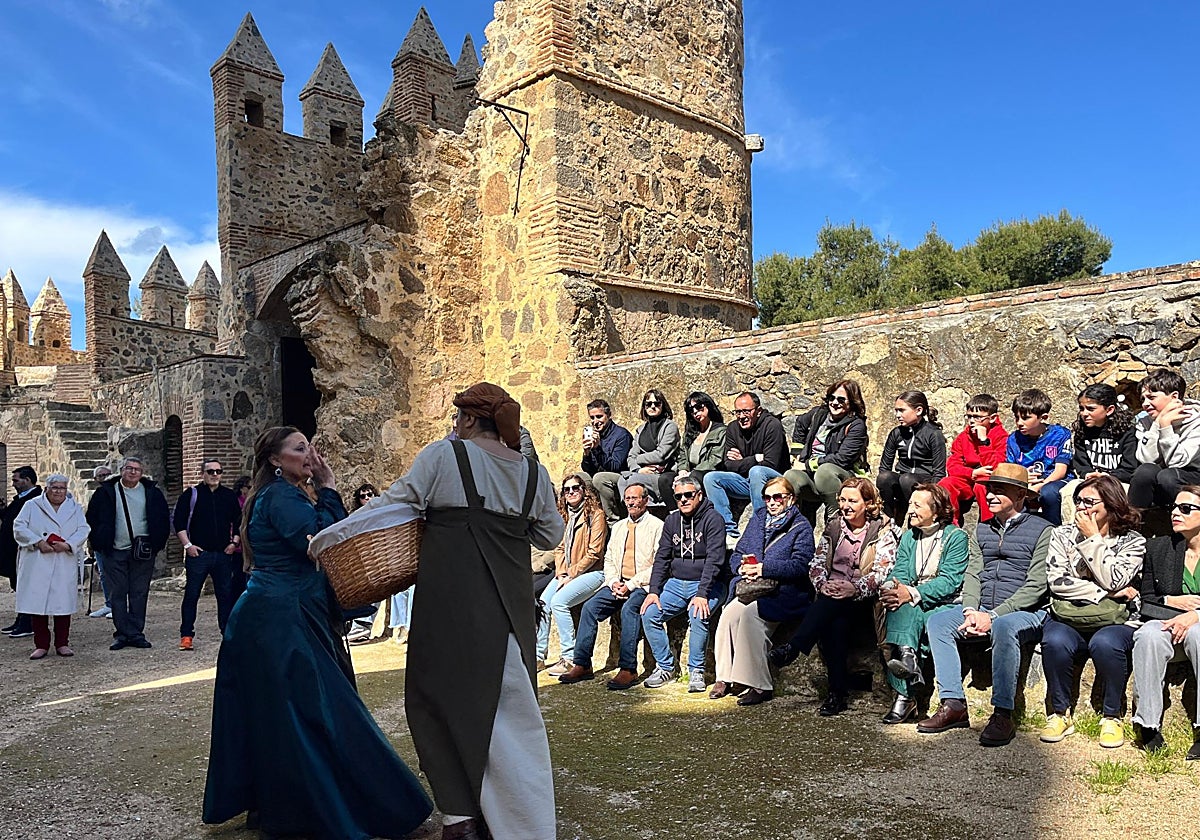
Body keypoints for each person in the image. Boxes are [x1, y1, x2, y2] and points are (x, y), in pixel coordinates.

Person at [203, 427, 433, 839]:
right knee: (315, 711)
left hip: (282, 613)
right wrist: (328, 490)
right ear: (276, 460)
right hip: (280, 619)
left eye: (308, 446)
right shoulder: (280, 496)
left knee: (291, 714)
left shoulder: (283, 495)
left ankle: (291, 806)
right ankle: (326, 809)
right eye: (299, 448)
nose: (309, 454)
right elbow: (319, 543)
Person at [367, 383, 564, 839]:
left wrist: (327, 539)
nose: (455, 426)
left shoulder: (443, 457)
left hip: (450, 607)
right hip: (512, 611)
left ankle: (459, 817)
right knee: (513, 714)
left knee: (435, 700)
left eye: (458, 418)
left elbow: (393, 505)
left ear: (470, 420)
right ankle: (523, 825)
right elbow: (550, 537)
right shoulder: (534, 473)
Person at [921, 464, 1053, 747]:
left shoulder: (1043, 531)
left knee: (1005, 627)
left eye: (999, 491)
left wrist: (993, 615)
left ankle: (1003, 713)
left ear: (1020, 495)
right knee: (939, 622)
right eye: (989, 490)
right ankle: (953, 703)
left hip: (1025, 613)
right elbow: (973, 574)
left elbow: (1036, 586)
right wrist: (970, 610)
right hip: (981, 609)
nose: (990, 496)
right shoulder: (982, 529)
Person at [775, 477, 901, 716]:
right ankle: (837, 695)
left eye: (852, 500)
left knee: (834, 609)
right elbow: (817, 562)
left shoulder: (884, 530)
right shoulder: (834, 526)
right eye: (842, 500)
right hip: (832, 596)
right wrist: (822, 584)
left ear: (868, 503)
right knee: (835, 622)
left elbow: (884, 570)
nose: (846, 505)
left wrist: (854, 588)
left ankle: (794, 649)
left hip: (864, 598)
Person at [1039, 475, 1144, 748]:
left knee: (1105, 644)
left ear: (1110, 504)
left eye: (1089, 501)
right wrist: (1103, 593)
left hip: (1116, 618)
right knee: (1055, 641)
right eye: (1078, 501)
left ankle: (1112, 716)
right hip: (1069, 614)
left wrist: (1093, 539)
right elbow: (1058, 581)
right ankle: (1059, 713)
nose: (1081, 508)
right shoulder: (1061, 535)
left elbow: (1116, 579)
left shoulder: (1133, 542)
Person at [711, 476, 814, 705]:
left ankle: (760, 685)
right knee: (729, 614)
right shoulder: (758, 519)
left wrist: (764, 569)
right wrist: (742, 567)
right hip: (754, 586)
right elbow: (739, 552)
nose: (772, 502)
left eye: (778, 497)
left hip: (786, 592)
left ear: (791, 499)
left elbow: (800, 566)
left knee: (750, 616)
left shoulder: (801, 527)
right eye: (767, 497)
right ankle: (724, 677)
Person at [559, 483, 664, 688]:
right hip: (618, 582)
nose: (631, 502)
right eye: (627, 498)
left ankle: (628, 669)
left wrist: (631, 585)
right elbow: (609, 559)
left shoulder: (657, 526)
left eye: (635, 498)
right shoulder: (618, 527)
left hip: (642, 585)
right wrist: (614, 581)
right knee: (590, 608)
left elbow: (659, 565)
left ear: (646, 500)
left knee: (629, 610)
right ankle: (582, 663)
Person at [880, 483, 969, 724]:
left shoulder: (955, 537)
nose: (910, 510)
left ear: (937, 510)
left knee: (909, 611)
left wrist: (911, 593)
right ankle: (908, 660)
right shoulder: (910, 536)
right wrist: (891, 588)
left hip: (945, 603)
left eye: (917, 505)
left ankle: (904, 695)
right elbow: (900, 572)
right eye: (910, 504)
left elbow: (950, 582)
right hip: (914, 599)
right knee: (897, 607)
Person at [640, 475, 729, 692]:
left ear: (699, 495)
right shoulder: (672, 521)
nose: (684, 500)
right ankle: (666, 667)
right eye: (678, 496)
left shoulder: (713, 519)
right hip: (676, 583)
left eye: (689, 495)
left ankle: (696, 670)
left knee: (698, 613)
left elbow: (714, 560)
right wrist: (653, 591)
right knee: (649, 613)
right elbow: (662, 557)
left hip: (708, 583)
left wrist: (702, 593)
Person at [1131, 486, 1200, 758]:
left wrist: (1195, 615)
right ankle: (1147, 724)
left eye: (1185, 509)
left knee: (1198, 635)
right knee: (1148, 636)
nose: (1175, 513)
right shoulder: (1159, 547)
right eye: (1174, 507)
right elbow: (1145, 597)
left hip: (1197, 625)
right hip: (1167, 621)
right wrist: (1172, 602)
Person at [85, 457, 170, 650]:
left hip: (143, 551)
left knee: (139, 593)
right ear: (121, 470)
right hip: (113, 550)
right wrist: (99, 541)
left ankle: (136, 633)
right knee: (118, 593)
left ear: (142, 473)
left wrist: (157, 544)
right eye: (129, 468)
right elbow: (92, 518)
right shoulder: (105, 492)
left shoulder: (152, 493)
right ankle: (122, 633)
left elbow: (163, 518)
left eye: (137, 469)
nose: (133, 472)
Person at [536, 472, 608, 675]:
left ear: (584, 491)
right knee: (543, 603)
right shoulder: (564, 515)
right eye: (567, 489)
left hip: (593, 572)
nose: (571, 492)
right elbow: (559, 548)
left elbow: (594, 553)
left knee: (559, 602)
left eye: (576, 488)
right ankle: (539, 657)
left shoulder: (596, 515)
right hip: (566, 572)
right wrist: (561, 574)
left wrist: (572, 574)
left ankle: (569, 657)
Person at [13, 474, 90, 659]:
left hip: (63, 559)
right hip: (38, 560)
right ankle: (41, 644)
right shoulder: (32, 506)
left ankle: (62, 643)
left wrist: (69, 544)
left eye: (62, 488)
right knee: (38, 603)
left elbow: (83, 529)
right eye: (54, 487)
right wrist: (38, 541)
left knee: (62, 603)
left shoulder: (74, 508)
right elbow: (19, 527)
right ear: (47, 488)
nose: (58, 491)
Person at [174, 458, 243, 651]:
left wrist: (234, 543)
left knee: (225, 595)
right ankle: (186, 635)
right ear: (203, 474)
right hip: (199, 554)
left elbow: (238, 522)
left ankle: (227, 633)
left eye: (218, 471)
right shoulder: (191, 495)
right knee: (192, 594)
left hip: (222, 554)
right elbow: (179, 523)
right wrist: (188, 546)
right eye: (210, 471)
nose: (214, 475)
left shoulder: (228, 496)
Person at [703, 392, 790, 544]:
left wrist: (743, 462)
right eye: (738, 412)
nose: (741, 416)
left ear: (758, 411)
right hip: (748, 481)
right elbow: (728, 464)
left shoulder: (772, 426)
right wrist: (756, 458)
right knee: (711, 478)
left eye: (746, 411)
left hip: (774, 481)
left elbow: (771, 463)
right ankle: (728, 532)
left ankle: (760, 527)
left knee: (756, 471)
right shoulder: (732, 428)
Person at [783, 379, 870, 524]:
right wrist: (797, 453)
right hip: (811, 476)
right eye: (832, 398)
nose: (835, 403)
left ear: (851, 402)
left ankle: (835, 520)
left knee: (825, 471)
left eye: (841, 399)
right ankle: (792, 524)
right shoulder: (819, 414)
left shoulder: (856, 426)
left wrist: (807, 465)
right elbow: (800, 425)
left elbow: (842, 459)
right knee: (790, 475)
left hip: (840, 476)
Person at [592, 389, 681, 518]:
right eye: (648, 404)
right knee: (623, 480)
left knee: (633, 480)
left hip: (661, 473)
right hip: (642, 472)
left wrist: (639, 459)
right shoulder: (641, 430)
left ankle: (644, 514)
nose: (652, 407)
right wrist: (638, 469)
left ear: (663, 405)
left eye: (657, 403)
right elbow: (631, 456)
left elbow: (661, 454)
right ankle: (631, 514)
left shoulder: (670, 427)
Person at [1129, 368, 1200, 510]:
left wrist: (1166, 427)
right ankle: (1131, 525)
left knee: (1168, 476)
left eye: (1151, 397)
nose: (1145, 404)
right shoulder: (1145, 422)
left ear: (1174, 397)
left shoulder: (1196, 421)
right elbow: (1146, 459)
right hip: (1163, 479)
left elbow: (1177, 462)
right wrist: (1158, 424)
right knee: (1145, 472)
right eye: (1143, 399)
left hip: (1193, 477)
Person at [1005, 388, 1074, 525]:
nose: (1019, 423)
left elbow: (1060, 471)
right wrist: (1023, 480)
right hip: (1025, 482)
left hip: (1053, 481)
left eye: (1025, 418)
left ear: (1043, 418)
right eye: (1016, 417)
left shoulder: (1060, 435)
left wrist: (1040, 486)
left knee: (1048, 493)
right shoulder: (1014, 439)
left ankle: (1053, 529)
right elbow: (1011, 469)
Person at [938, 394, 1008, 525]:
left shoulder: (1000, 436)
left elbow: (996, 466)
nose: (971, 421)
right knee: (946, 483)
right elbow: (953, 465)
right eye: (969, 416)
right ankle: (951, 523)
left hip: (988, 478)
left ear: (992, 418)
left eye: (977, 417)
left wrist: (983, 441)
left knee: (982, 486)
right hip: (970, 477)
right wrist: (972, 473)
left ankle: (989, 523)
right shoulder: (963, 437)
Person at [877, 390, 947, 522]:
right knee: (885, 477)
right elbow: (885, 466)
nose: (897, 415)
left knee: (907, 479)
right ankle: (888, 517)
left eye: (902, 410)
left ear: (918, 410)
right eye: (896, 410)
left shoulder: (933, 434)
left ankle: (915, 516)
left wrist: (933, 496)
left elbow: (939, 471)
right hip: (903, 480)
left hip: (924, 481)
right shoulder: (896, 433)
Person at [669, 391, 728, 511]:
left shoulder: (721, 431)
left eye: (699, 407)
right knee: (665, 479)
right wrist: (683, 471)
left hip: (706, 472)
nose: (695, 412)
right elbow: (682, 455)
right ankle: (676, 514)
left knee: (695, 477)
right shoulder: (690, 433)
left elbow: (715, 459)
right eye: (691, 410)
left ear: (708, 406)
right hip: (690, 473)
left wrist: (690, 474)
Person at [1, 466, 42, 638]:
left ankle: (28, 622)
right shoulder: (22, 498)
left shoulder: (35, 499)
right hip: (13, 552)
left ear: (27, 480)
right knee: (18, 586)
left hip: (25, 551)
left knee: (27, 587)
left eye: (16, 480)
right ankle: (22, 619)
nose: (13, 484)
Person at [87, 464, 116, 618]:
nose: (105, 478)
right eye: (101, 476)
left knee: (117, 573)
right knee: (104, 573)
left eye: (107, 474)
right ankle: (109, 604)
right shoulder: (95, 495)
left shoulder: (118, 492)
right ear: (95, 479)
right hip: (100, 541)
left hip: (116, 540)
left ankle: (119, 605)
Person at [580, 398, 633, 477]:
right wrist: (586, 454)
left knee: (599, 478)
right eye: (592, 418)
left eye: (599, 416)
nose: (595, 421)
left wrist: (597, 449)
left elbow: (615, 466)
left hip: (618, 477)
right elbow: (587, 469)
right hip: (597, 476)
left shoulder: (622, 435)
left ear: (608, 415)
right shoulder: (594, 435)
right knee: (579, 477)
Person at [229, 475, 252, 599]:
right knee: (237, 576)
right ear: (242, 488)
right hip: (237, 547)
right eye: (249, 487)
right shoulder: (236, 502)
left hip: (247, 546)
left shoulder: (250, 503)